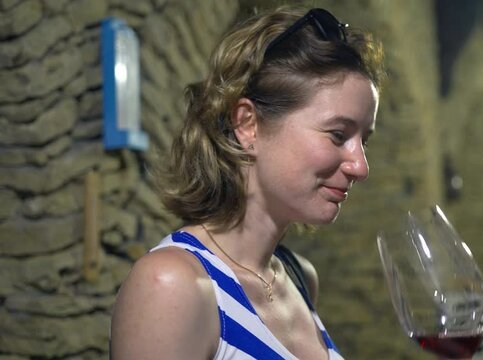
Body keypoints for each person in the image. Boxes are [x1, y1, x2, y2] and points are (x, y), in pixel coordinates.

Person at [110, 6, 384, 360]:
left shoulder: (299, 278)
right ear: (248, 125)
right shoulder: (171, 285)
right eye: (337, 134)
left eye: (365, 140)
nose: (360, 166)